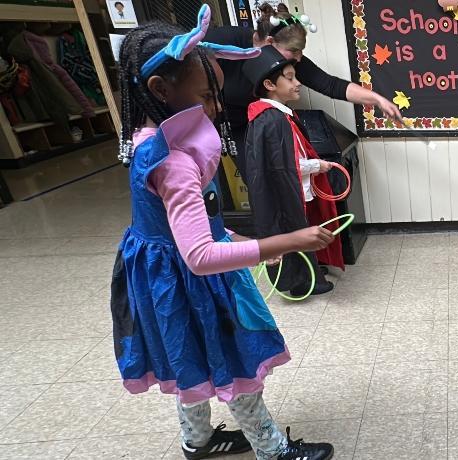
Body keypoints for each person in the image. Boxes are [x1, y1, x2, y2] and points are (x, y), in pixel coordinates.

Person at [109, 6, 335, 459]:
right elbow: (198, 255)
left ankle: (198, 441)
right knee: (237, 364)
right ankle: (272, 450)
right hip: (189, 282)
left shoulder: (147, 137)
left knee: (187, 360)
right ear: (160, 89)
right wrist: (292, 240)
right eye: (207, 96)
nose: (216, 107)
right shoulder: (174, 162)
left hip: (160, 276)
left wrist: (232, 237)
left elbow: (184, 225)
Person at [205, 3, 401, 176]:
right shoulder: (226, 41)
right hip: (208, 118)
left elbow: (332, 85)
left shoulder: (289, 59)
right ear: (271, 42)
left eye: (301, 53)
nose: (298, 59)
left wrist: (377, 99)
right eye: (294, 52)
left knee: (263, 179)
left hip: (249, 124)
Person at [241, 46, 344, 296]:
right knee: (294, 232)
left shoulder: (272, 116)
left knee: (300, 229)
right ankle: (304, 282)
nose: (298, 83)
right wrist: (319, 166)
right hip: (288, 195)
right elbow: (287, 166)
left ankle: (310, 274)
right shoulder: (273, 120)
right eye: (289, 78)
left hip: (293, 190)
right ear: (269, 84)